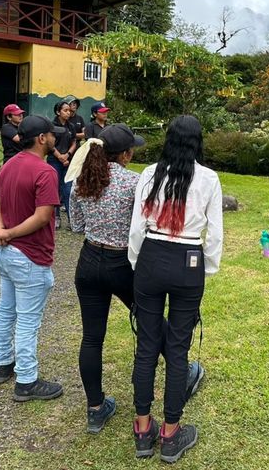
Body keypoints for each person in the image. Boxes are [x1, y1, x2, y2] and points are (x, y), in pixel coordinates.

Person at [68, 124, 205, 435]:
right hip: (123, 262)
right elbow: (144, 224)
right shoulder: (134, 182)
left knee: (92, 337)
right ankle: (180, 373)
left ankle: (95, 408)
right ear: (126, 154)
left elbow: (76, 224)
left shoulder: (82, 180)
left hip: (88, 260)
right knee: (151, 321)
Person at [129, 115, 223, 463]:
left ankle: (142, 429)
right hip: (188, 259)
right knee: (178, 348)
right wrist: (207, 267)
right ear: (198, 141)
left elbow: (138, 225)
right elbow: (214, 233)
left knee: (146, 347)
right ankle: (170, 433)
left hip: (151, 255)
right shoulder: (209, 178)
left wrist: (138, 260)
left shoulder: (150, 173)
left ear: (168, 139)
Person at [0, 115, 65, 402]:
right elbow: (43, 215)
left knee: (6, 309)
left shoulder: (9, 164)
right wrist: (7, 231)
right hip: (30, 255)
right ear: (43, 138)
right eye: (52, 134)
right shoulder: (45, 172)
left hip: (7, 253)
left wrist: (2, 231)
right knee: (28, 321)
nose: (55, 138)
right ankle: (26, 380)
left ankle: (2, 364)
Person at [49, 101, 76, 230]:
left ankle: (72, 220)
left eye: (69, 110)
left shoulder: (71, 126)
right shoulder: (52, 126)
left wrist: (68, 155)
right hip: (54, 160)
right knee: (54, 189)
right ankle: (55, 218)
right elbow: (50, 144)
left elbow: (74, 142)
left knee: (68, 189)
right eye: (65, 110)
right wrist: (59, 156)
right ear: (58, 112)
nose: (68, 112)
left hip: (67, 161)